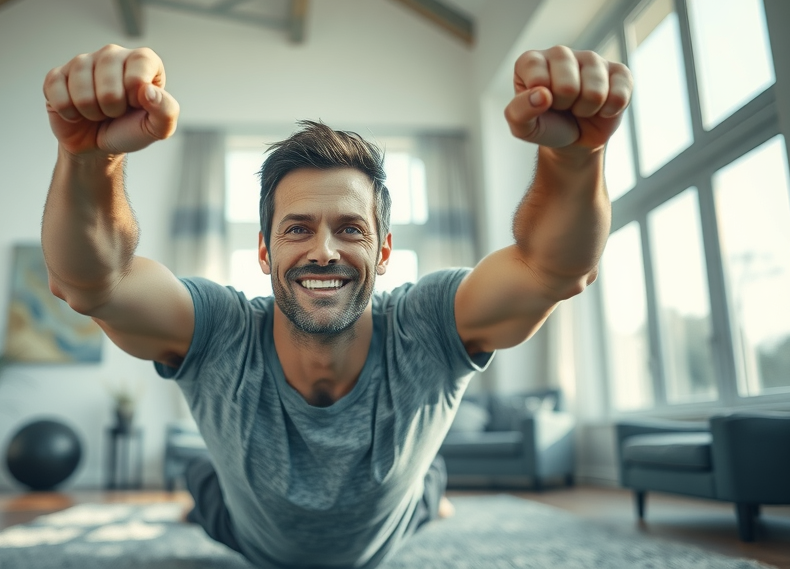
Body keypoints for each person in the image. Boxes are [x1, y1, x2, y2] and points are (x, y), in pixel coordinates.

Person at [41, 44, 632, 569]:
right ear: (265, 253)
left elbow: (552, 270)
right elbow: (96, 283)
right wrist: (90, 159)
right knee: (204, 487)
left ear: (384, 252)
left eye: (351, 229)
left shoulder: (426, 325)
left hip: (389, 524)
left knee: (423, 494)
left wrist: (575, 159)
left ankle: (430, 493)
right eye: (297, 229)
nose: (324, 251)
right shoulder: (220, 331)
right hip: (246, 531)